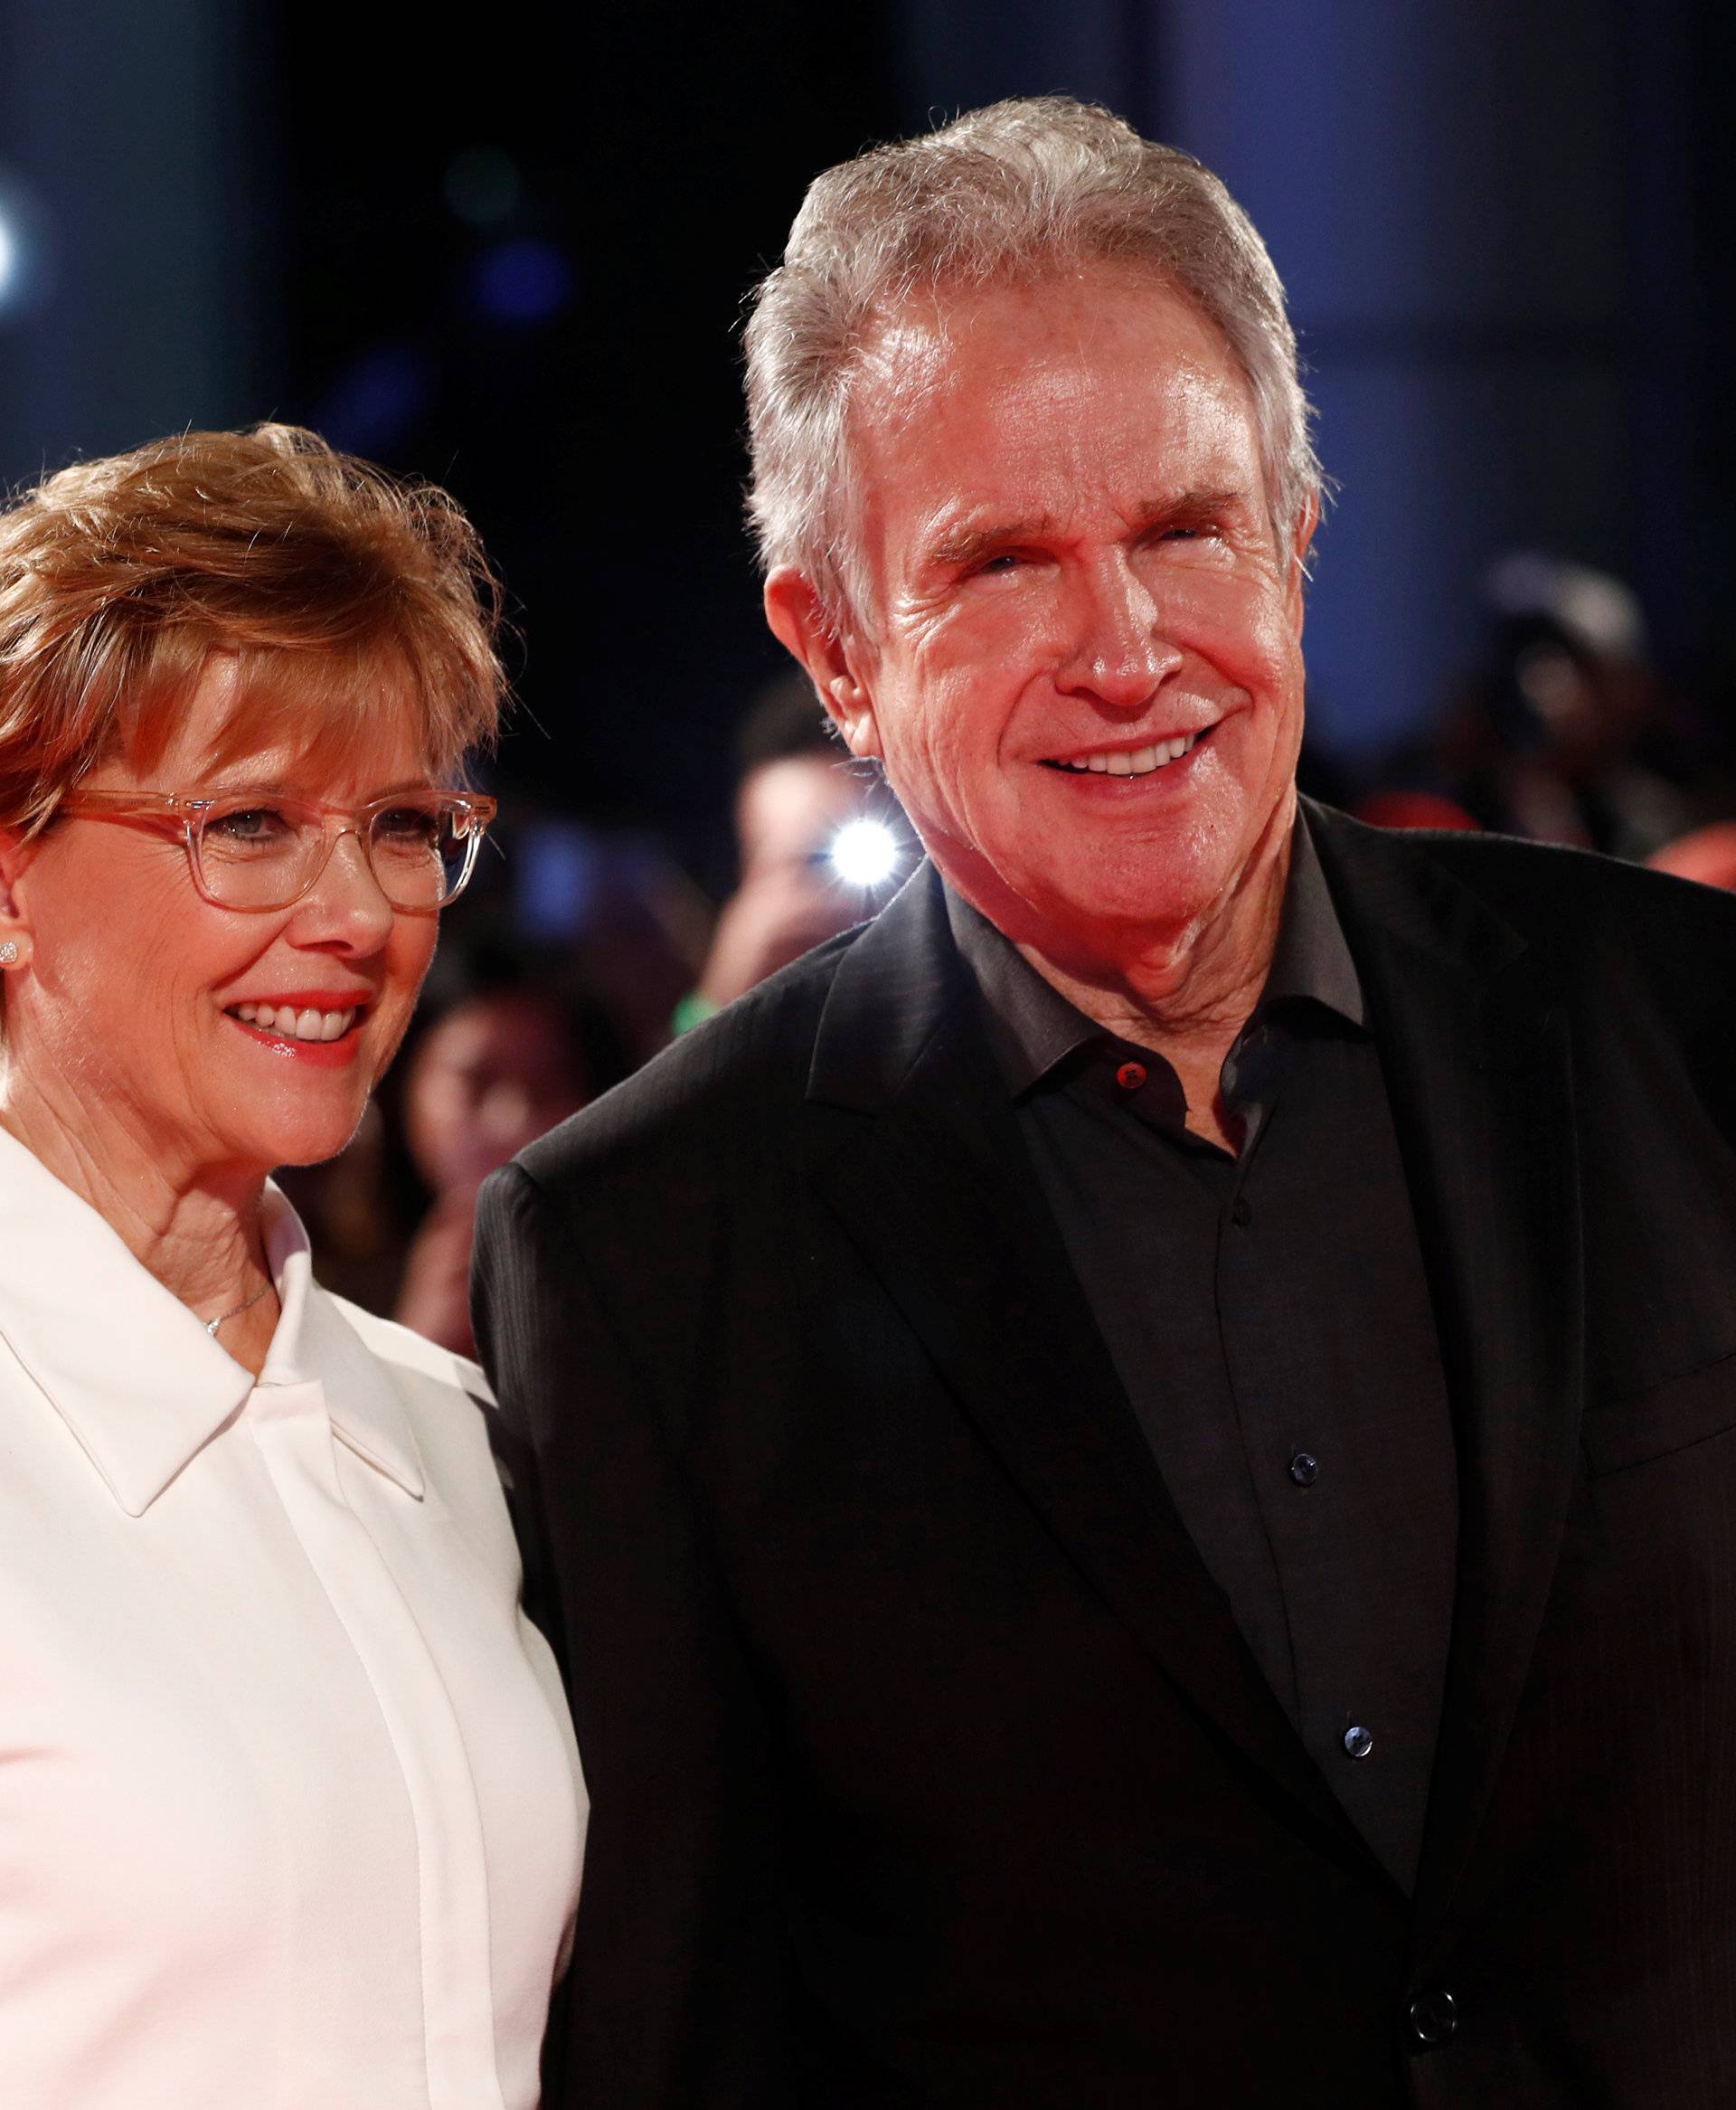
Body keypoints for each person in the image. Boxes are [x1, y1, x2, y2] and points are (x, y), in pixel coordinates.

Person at [474, 99, 1736, 2107]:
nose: (1130, 649)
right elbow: (684, 2024)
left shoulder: (1683, 1019)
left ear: (1297, 540)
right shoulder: (647, 1246)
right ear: (838, 648)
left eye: (1182, 528)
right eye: (999, 563)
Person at [0, 424, 583, 2108]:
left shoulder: (456, 1440)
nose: (356, 915)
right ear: (12, 874)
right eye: (250, 823)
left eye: (405, 824)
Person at [392, 939, 630, 1356]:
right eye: (476, 1081)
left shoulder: (629, 1276)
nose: (514, 1123)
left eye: (549, 1087)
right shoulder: (298, 1269)